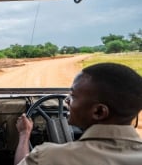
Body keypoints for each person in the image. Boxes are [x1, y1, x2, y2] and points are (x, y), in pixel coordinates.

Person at [14, 62, 142, 165]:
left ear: (98, 112)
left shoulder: (47, 157)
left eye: (73, 96)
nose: (66, 100)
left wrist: (24, 134)